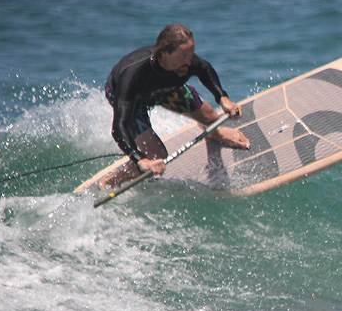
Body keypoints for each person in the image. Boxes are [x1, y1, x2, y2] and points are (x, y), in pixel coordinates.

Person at [100, 23, 250, 188]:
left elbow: (205, 69)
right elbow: (119, 127)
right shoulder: (134, 75)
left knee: (210, 116)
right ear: (164, 53)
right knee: (156, 156)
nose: (190, 60)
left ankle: (214, 134)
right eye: (184, 55)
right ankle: (112, 180)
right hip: (133, 99)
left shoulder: (184, 64)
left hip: (165, 89)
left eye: (191, 53)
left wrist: (222, 98)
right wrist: (140, 160)